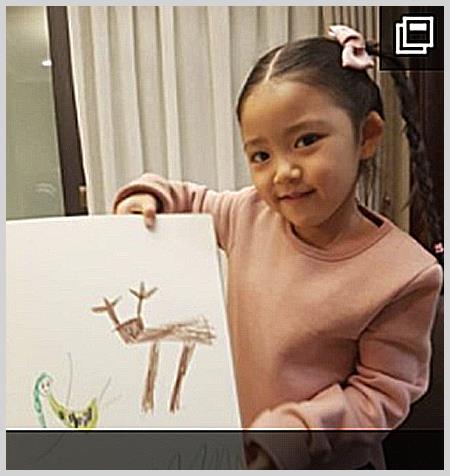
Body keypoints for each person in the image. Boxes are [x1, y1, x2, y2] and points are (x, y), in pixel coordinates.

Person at [113, 25, 443, 469]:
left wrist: (297, 432)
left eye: (306, 141)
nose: (283, 171)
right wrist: (148, 197)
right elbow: (189, 199)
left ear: (366, 135)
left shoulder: (407, 274)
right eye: (261, 156)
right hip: (239, 449)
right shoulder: (248, 213)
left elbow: (382, 395)